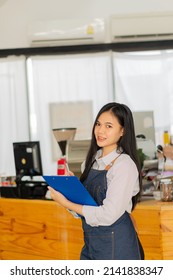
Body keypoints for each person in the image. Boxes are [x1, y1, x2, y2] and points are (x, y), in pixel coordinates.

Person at [48, 102, 144, 260]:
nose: (100, 130)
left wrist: (66, 203)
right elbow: (84, 210)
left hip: (117, 247)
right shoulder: (92, 160)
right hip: (92, 244)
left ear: (123, 131)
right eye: (98, 124)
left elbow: (108, 215)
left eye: (108, 126)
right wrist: (71, 190)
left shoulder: (123, 165)